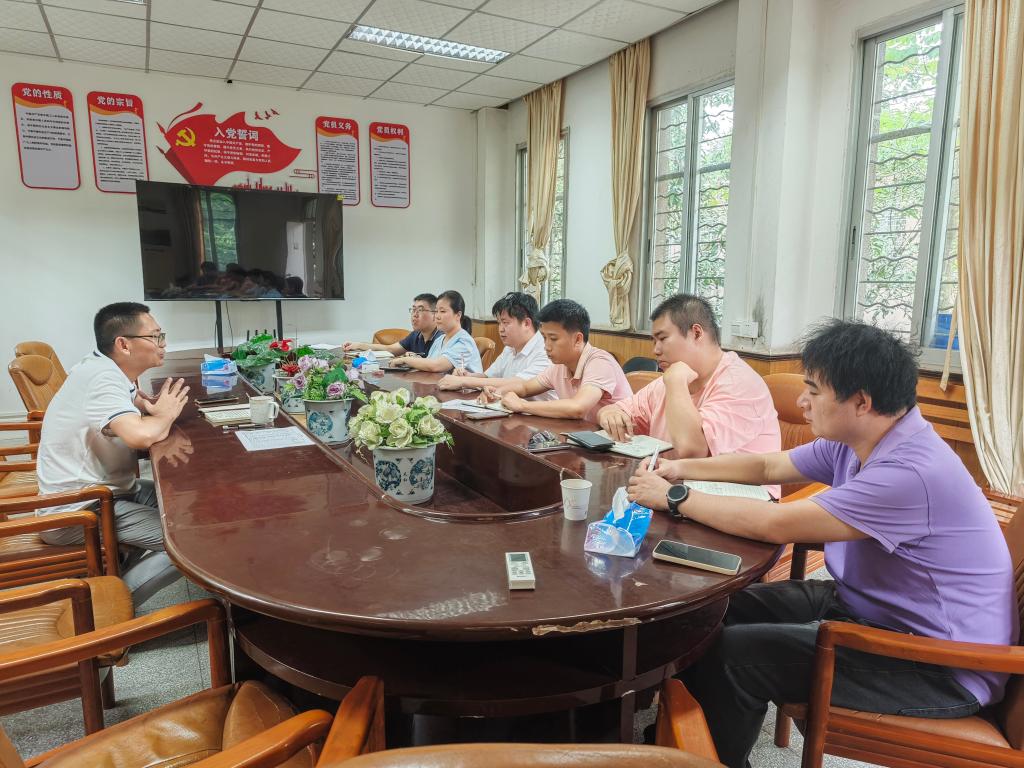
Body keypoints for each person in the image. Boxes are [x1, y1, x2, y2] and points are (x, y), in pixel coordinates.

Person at [625, 319, 1017, 768]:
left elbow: (776, 525)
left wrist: (675, 497)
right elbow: (768, 467)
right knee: (708, 611)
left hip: (940, 665)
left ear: (861, 402)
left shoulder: (911, 472)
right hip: (870, 607)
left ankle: (709, 759)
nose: (801, 401)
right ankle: (676, 744)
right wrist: (681, 469)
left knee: (735, 656)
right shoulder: (860, 438)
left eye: (812, 390)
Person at [36, 302, 190, 605]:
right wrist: (166, 415)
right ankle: (108, 608)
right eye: (156, 336)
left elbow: (136, 405)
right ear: (124, 344)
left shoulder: (104, 367)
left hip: (105, 492)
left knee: (180, 502)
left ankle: (119, 570)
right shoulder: (102, 378)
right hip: (77, 510)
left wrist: (150, 408)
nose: (163, 343)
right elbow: (139, 436)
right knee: (187, 542)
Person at [598, 294, 781, 493]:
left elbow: (691, 449)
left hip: (744, 502)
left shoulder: (739, 382)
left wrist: (676, 382)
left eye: (663, 338)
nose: (655, 350)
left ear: (696, 333)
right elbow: (620, 410)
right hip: (677, 493)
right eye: (654, 341)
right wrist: (609, 413)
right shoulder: (668, 380)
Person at [482, 299, 631, 421]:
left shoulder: (600, 362)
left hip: (620, 443)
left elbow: (578, 408)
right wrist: (498, 392)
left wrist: (522, 406)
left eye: (553, 339)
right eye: (544, 338)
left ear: (578, 339)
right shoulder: (560, 366)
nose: (546, 346)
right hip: (585, 437)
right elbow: (526, 387)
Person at [437, 291, 552, 396]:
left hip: (535, 411)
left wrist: (464, 381)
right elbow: (488, 377)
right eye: (499, 323)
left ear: (526, 323)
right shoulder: (510, 347)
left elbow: (519, 383)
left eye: (505, 323)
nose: (500, 329)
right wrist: (467, 376)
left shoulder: (545, 350)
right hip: (507, 407)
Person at [400, 290, 483, 373]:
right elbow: (430, 363)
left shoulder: (464, 341)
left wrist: (405, 360)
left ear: (458, 315)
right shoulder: (439, 340)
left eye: (442, 311)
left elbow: (436, 366)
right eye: (436, 311)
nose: (437, 316)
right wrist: (417, 359)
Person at [343, 293, 442, 357]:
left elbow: (437, 365)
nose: (414, 315)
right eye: (413, 310)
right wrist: (358, 345)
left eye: (420, 310)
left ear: (434, 314)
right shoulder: (415, 335)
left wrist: (414, 360)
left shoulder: (442, 337)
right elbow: (390, 349)